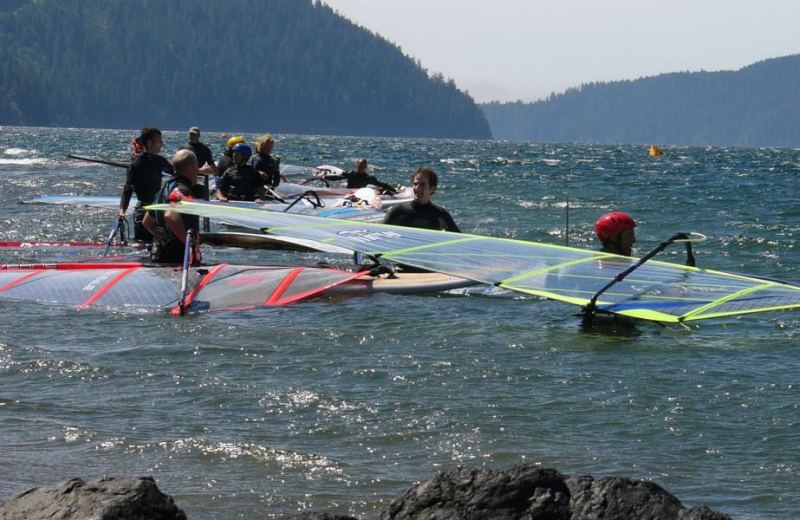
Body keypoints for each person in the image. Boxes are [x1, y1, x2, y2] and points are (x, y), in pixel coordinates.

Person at [143, 149, 201, 265]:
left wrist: (164, 241)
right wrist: (189, 245)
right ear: (191, 166)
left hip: (160, 255)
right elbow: (170, 216)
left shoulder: (165, 188)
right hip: (177, 258)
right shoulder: (182, 189)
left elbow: (147, 222)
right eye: (197, 166)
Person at [119, 127, 174, 242]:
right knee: (143, 245)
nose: (162, 144)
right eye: (159, 141)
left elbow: (175, 171)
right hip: (142, 211)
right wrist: (122, 210)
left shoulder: (160, 161)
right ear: (149, 143)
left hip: (156, 211)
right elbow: (128, 188)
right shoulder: (136, 164)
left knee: (157, 245)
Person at [383, 167, 459, 231]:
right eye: (415, 184)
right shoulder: (398, 211)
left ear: (432, 189)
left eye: (422, 185)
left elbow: (459, 239)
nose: (417, 188)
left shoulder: (440, 214)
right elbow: (380, 233)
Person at [326, 158, 396, 194]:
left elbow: (382, 184)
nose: (360, 168)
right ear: (357, 165)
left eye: (362, 167)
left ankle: (395, 191)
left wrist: (395, 191)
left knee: (382, 190)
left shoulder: (368, 178)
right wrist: (323, 177)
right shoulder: (351, 174)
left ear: (365, 167)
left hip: (359, 195)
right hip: (348, 193)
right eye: (359, 166)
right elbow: (337, 178)